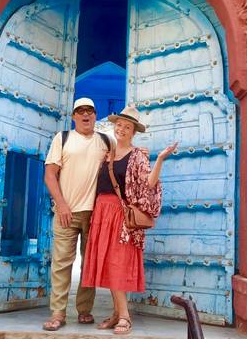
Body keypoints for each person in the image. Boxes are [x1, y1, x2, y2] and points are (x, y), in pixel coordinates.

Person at [82, 105, 177, 335]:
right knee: (107, 263)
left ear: (134, 132)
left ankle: (125, 316)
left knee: (118, 263)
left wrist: (161, 160)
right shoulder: (108, 155)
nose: (122, 129)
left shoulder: (137, 156)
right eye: (120, 125)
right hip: (101, 214)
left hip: (120, 216)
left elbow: (149, 184)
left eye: (127, 127)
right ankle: (116, 313)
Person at [42, 97, 110, 331]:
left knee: (89, 264)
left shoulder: (104, 141)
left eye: (90, 111)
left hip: (95, 214)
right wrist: (61, 204)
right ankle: (58, 313)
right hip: (66, 212)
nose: (85, 115)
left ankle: (84, 310)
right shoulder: (63, 139)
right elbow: (50, 175)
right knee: (61, 263)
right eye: (80, 111)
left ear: (95, 115)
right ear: (73, 116)